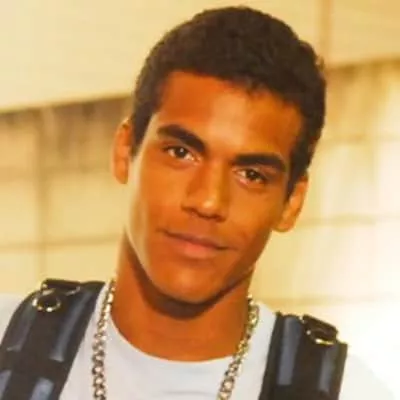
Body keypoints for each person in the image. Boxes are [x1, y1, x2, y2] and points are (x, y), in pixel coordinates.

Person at [0, 6, 393, 399]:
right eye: (181, 153)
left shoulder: (351, 393)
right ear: (124, 152)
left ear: (292, 202)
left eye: (251, 175)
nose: (208, 200)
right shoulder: (8, 345)